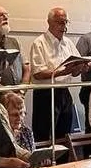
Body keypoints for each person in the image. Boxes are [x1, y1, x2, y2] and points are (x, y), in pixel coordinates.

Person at [28, 8, 86, 145]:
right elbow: (38, 73)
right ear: (49, 22)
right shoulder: (39, 43)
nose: (64, 27)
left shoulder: (68, 43)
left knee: (65, 134)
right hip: (46, 93)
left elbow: (74, 72)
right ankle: (45, 165)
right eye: (60, 22)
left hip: (64, 92)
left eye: (66, 22)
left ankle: (63, 164)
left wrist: (81, 66)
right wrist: (62, 72)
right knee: (43, 134)